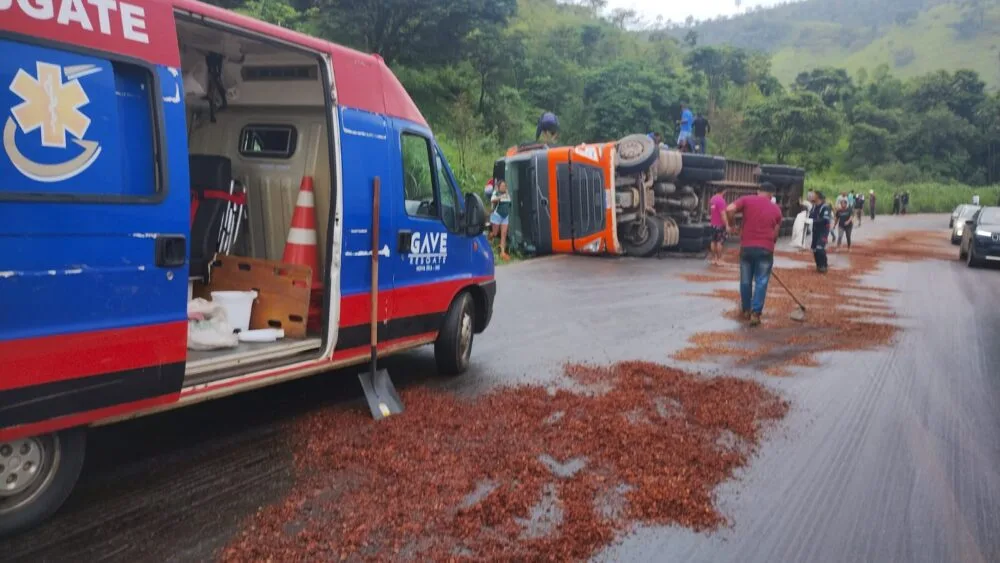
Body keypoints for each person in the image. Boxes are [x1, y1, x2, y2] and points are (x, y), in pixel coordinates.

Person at [725, 182, 783, 327]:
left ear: (758, 191)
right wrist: (769, 248)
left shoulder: (746, 200)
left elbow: (729, 209)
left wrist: (732, 224)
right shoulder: (776, 210)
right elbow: (775, 235)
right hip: (765, 249)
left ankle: (746, 309)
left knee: (745, 280)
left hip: (747, 247)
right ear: (771, 195)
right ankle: (755, 314)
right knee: (761, 281)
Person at [809, 191, 832, 273]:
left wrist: (813, 221)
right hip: (815, 231)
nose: (811, 196)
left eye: (813, 195)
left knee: (820, 248)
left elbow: (825, 220)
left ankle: (824, 266)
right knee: (814, 250)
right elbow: (810, 216)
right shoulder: (814, 207)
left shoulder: (825, 207)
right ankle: (818, 266)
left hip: (823, 231)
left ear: (818, 197)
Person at [490, 180, 512, 261]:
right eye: (502, 186)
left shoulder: (508, 195)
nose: (503, 187)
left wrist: (506, 194)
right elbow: (492, 200)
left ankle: (502, 253)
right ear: (499, 187)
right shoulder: (496, 193)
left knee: (504, 234)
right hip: (497, 216)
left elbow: (509, 204)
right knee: (495, 233)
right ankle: (490, 237)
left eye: (504, 186)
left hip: (505, 217)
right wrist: (500, 197)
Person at [709, 186, 729, 266]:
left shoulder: (712, 199)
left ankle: (714, 258)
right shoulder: (721, 200)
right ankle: (719, 259)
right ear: (724, 191)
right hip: (720, 224)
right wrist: (727, 224)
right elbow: (723, 214)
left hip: (713, 224)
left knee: (713, 241)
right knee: (720, 242)